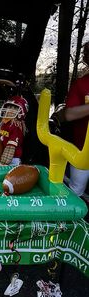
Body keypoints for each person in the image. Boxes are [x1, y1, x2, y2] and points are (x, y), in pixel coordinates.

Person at [64, 41, 89, 197]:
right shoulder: (81, 84)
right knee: (75, 193)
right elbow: (68, 115)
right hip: (82, 151)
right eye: (86, 53)